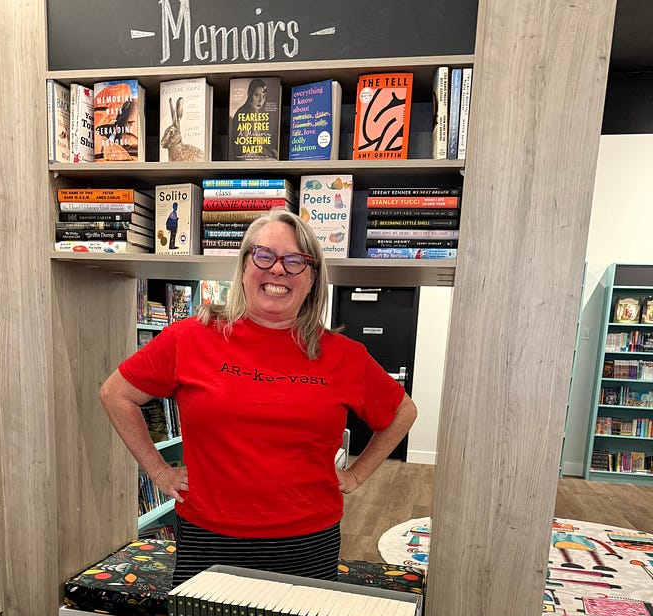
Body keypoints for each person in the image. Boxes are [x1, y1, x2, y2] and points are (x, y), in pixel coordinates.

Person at [99, 209, 417, 585]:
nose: (278, 270)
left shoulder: (344, 355)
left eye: (295, 260)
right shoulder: (190, 338)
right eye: (264, 255)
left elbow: (402, 413)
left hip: (307, 542)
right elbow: (116, 393)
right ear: (245, 265)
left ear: (313, 278)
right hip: (208, 539)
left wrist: (356, 476)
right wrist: (159, 471)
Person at [230, 79, 278, 160]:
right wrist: (271, 154)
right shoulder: (245, 113)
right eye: (256, 95)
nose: (261, 100)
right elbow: (251, 146)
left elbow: (258, 143)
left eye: (263, 96)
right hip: (245, 156)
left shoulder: (253, 112)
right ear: (249, 94)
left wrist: (272, 151)